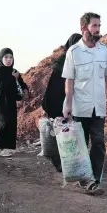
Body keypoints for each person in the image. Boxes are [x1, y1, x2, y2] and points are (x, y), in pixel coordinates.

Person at [62, 12, 107, 195]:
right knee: (82, 144)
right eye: (94, 26)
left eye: (99, 25)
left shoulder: (103, 50)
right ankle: (86, 179)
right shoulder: (74, 52)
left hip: (98, 106)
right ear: (84, 28)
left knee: (99, 142)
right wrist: (67, 105)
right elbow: (69, 80)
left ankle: (94, 180)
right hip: (80, 106)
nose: (98, 29)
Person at [41, 33, 82, 171]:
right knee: (62, 131)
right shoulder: (64, 60)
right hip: (56, 100)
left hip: (65, 100)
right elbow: (57, 84)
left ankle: (66, 163)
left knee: (66, 132)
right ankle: (61, 163)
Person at [0, 48, 29, 157]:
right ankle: (2, 149)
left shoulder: (14, 71)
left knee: (12, 123)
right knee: (3, 123)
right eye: (6, 57)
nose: (9, 60)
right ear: (1, 58)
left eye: (11, 57)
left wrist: (25, 90)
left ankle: (9, 147)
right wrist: (14, 79)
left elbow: (21, 83)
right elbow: (3, 85)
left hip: (11, 101)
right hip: (2, 103)